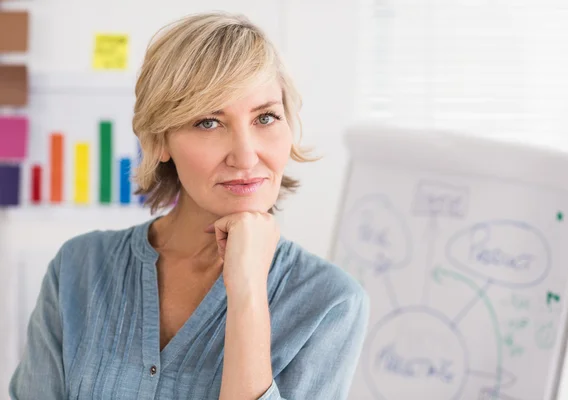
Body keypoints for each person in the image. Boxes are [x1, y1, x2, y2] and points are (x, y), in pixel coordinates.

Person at [9, 11, 370, 400]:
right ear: (160, 140)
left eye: (265, 117)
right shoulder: (78, 269)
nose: (246, 156)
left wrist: (247, 291)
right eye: (209, 123)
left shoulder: (330, 303)